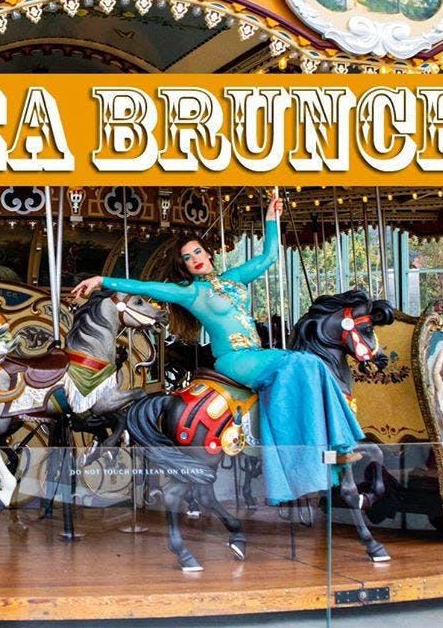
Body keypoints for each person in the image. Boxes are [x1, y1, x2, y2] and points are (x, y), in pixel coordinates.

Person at [70, 194, 364, 505]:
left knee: (313, 363)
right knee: (300, 363)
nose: (195, 258)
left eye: (197, 251)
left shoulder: (234, 279)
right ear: (184, 267)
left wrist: (271, 218)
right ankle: (300, 457)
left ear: (208, 254)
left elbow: (268, 257)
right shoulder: (191, 292)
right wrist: (104, 280)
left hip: (257, 353)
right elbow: (146, 286)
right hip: (234, 361)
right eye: (187, 257)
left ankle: (338, 445)